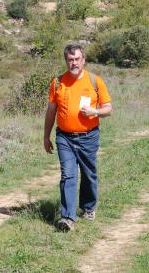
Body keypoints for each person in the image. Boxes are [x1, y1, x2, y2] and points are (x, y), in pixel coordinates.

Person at [43, 44, 113, 232]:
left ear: (83, 60)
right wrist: (46, 136)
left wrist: (95, 111)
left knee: (89, 174)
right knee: (68, 175)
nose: (73, 63)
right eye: (70, 60)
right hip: (64, 137)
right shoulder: (57, 82)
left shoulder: (95, 81)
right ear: (66, 61)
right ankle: (67, 217)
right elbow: (51, 112)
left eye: (77, 59)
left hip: (88, 136)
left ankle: (88, 207)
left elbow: (108, 108)